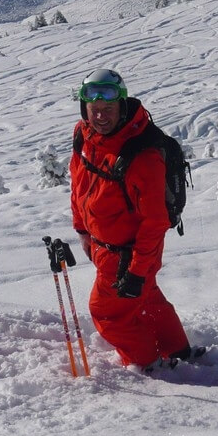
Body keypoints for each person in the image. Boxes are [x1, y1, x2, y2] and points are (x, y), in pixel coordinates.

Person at [69, 69, 194, 369]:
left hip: (130, 253)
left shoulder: (142, 156)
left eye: (109, 108)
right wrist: (82, 230)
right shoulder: (84, 136)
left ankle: (148, 366)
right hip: (104, 245)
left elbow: (154, 222)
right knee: (146, 297)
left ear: (122, 107)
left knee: (107, 313)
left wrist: (137, 272)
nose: (101, 116)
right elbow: (78, 183)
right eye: (94, 109)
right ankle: (177, 351)